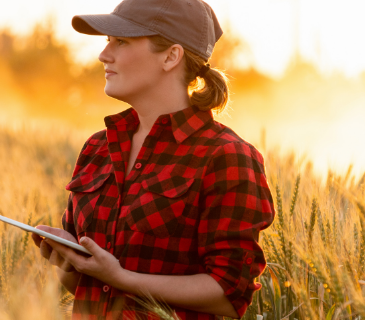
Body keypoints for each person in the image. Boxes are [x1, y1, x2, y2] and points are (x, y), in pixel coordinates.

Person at [30, 0, 275, 318]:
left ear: (171, 56)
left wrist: (121, 278)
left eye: (121, 42)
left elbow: (228, 294)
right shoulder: (97, 149)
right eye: (107, 42)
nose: (104, 55)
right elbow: (89, 290)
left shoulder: (225, 156)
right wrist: (67, 261)